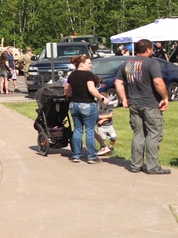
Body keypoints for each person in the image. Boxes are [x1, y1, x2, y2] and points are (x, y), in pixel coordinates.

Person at [115, 38, 170, 174]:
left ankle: (136, 165)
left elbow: (118, 82)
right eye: (152, 49)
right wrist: (165, 97)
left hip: (134, 104)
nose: (152, 51)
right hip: (150, 104)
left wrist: (123, 98)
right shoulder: (152, 62)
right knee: (153, 134)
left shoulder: (126, 63)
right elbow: (158, 82)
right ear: (148, 49)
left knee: (138, 135)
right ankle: (152, 167)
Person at [64, 54, 109, 164]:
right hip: (87, 104)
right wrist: (102, 98)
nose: (91, 65)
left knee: (78, 130)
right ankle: (92, 156)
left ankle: (76, 155)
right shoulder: (88, 75)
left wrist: (68, 95)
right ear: (81, 64)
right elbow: (92, 90)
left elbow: (66, 89)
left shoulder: (72, 75)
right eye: (89, 63)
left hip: (74, 104)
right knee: (89, 130)